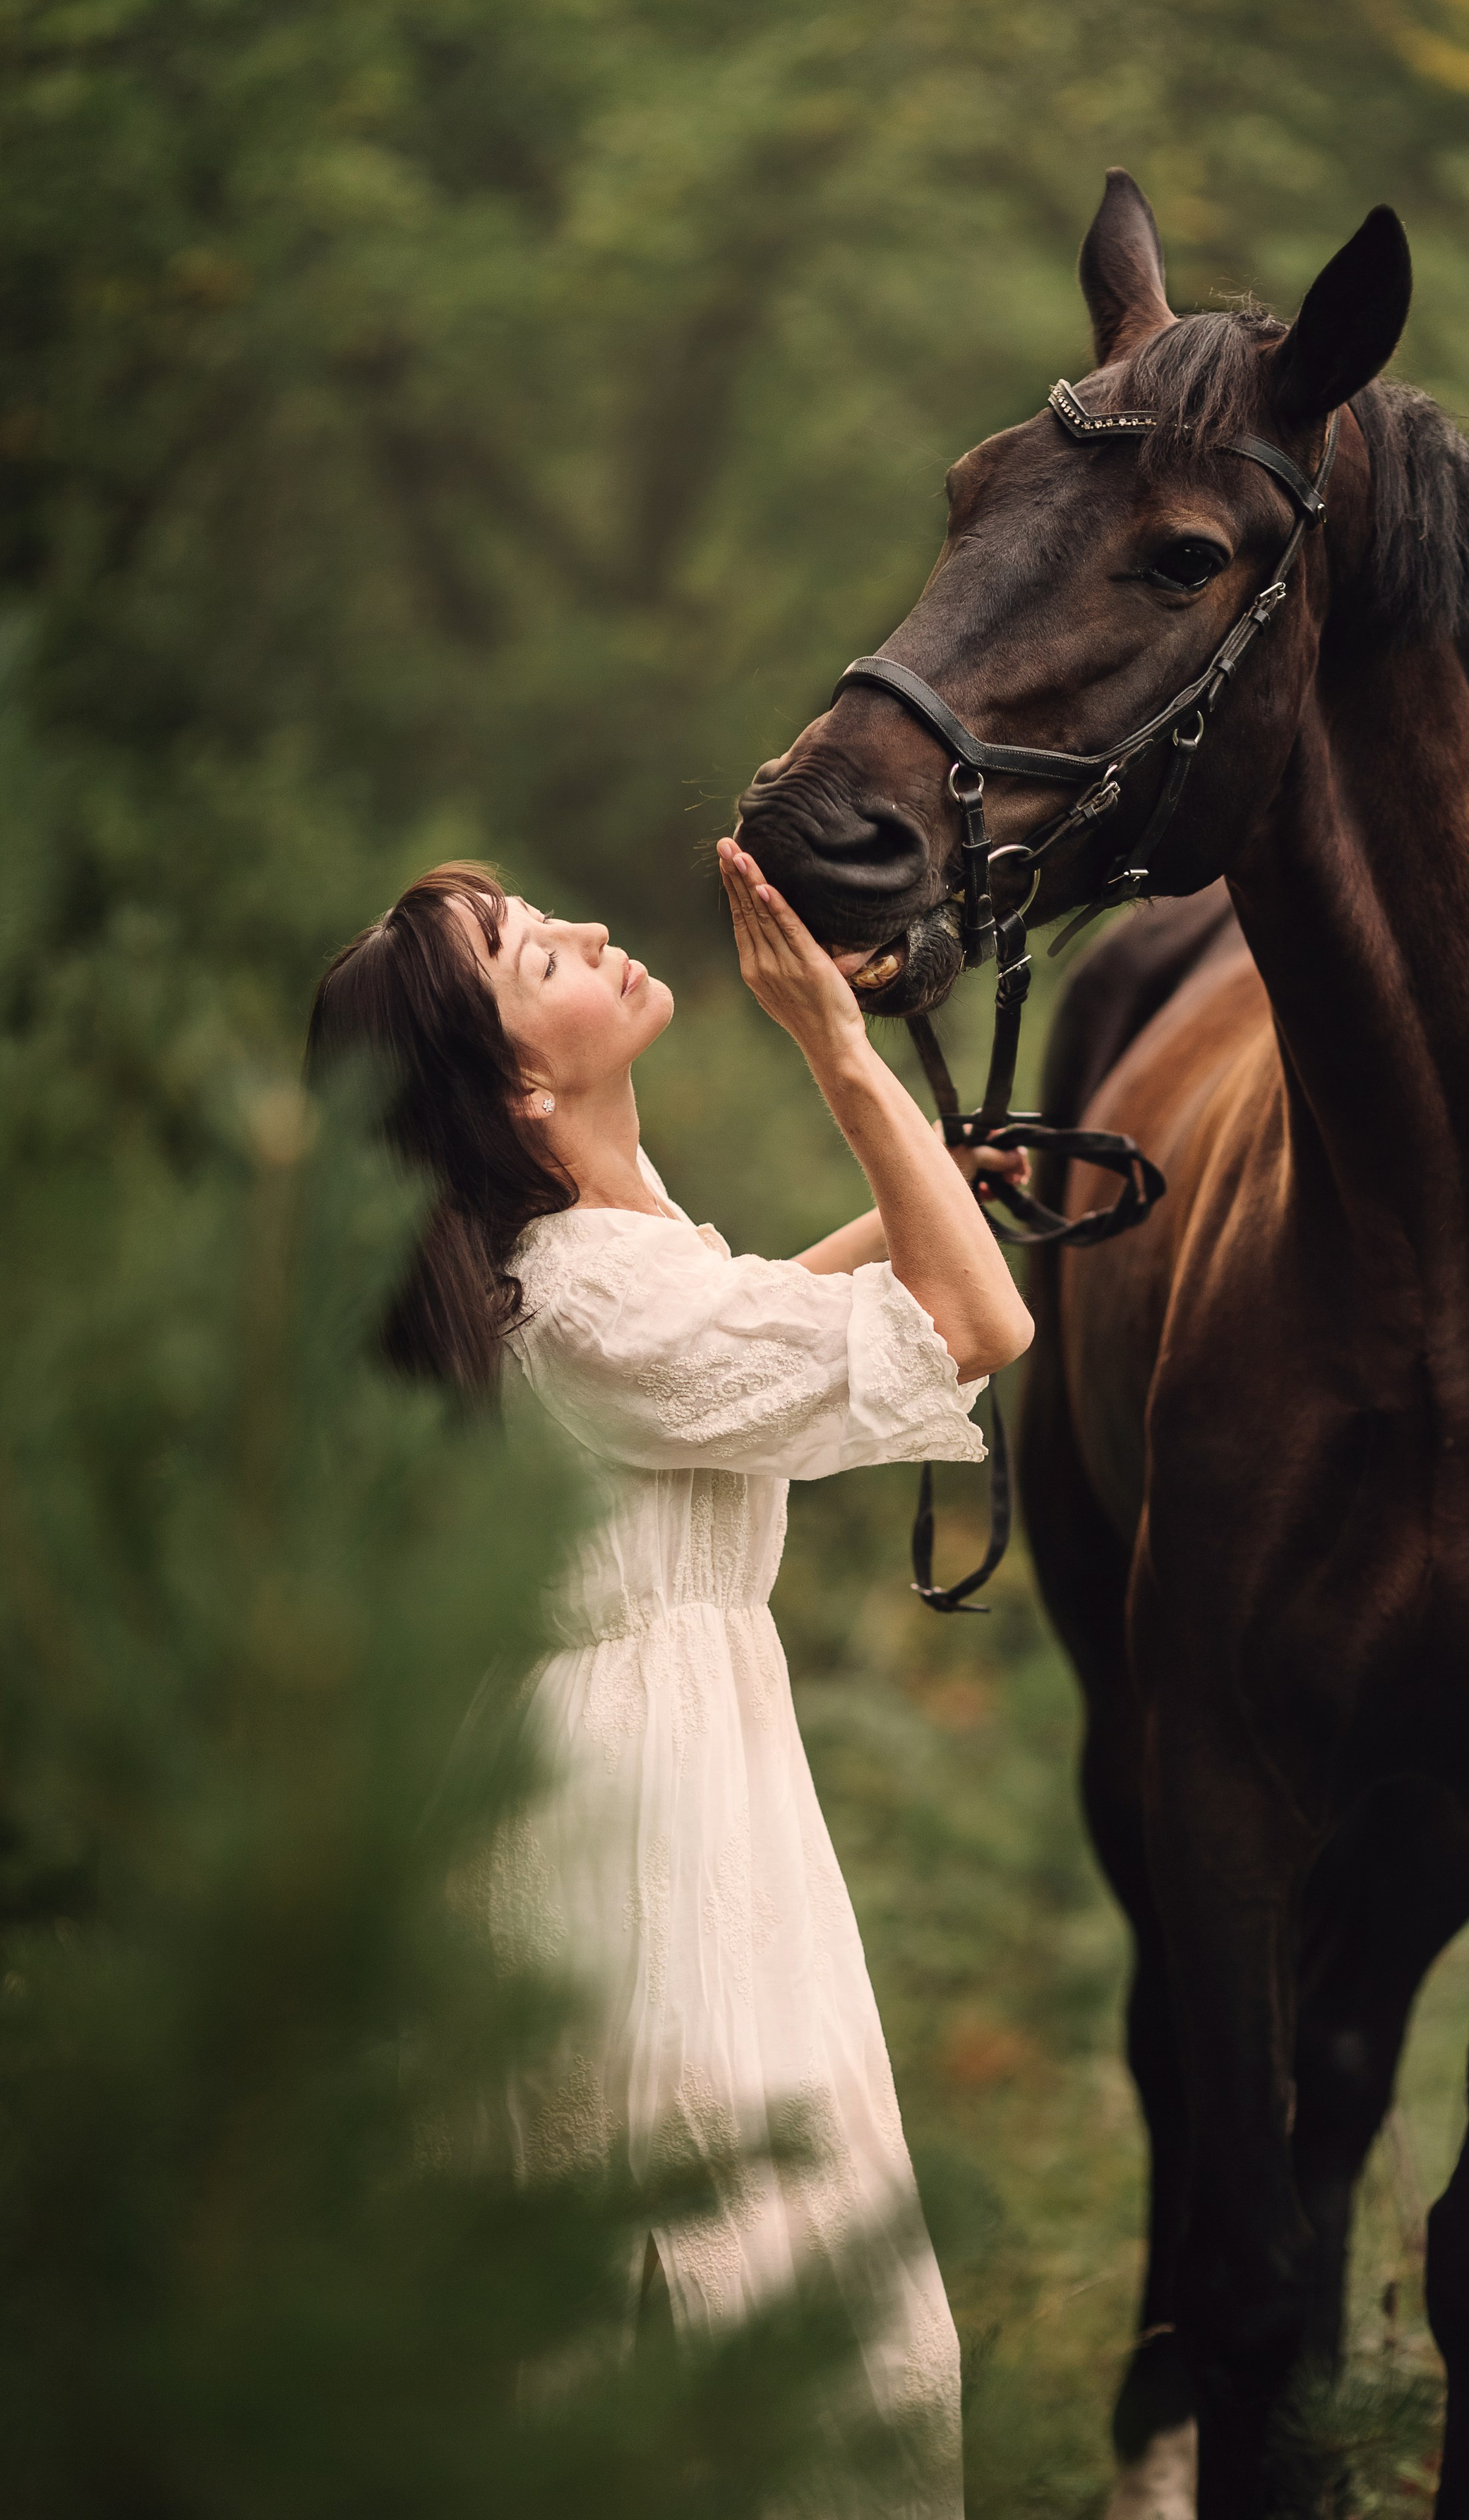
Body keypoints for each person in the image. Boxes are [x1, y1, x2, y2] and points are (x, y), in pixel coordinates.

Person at [306, 843, 1033, 2518]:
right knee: (730, 2264)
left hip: (649, 1772)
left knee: (709, 2255)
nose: (580, 930)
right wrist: (838, 1053)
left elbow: (739, 1318)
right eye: (529, 953)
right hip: (644, 1818)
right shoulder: (586, 1298)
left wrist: (918, 1183)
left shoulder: (592, 1262)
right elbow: (973, 1329)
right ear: (516, 1086)